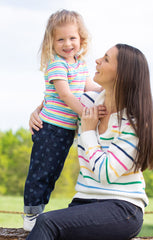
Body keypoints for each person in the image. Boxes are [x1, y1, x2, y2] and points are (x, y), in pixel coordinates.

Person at [26, 43, 153, 240]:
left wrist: (88, 131)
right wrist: (37, 113)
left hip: (123, 208)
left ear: (122, 74)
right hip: (83, 202)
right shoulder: (87, 103)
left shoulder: (134, 124)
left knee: (47, 222)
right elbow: (57, 101)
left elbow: (106, 173)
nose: (97, 60)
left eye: (106, 59)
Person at [23, 9, 103, 231]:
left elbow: (89, 86)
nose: (67, 44)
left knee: (53, 172)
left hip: (66, 131)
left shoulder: (79, 64)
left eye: (72, 38)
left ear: (81, 39)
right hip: (50, 128)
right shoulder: (57, 64)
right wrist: (86, 114)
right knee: (41, 170)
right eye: (60, 39)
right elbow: (66, 94)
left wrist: (108, 89)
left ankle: (39, 210)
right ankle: (31, 213)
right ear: (52, 41)